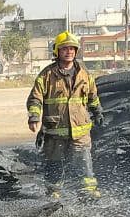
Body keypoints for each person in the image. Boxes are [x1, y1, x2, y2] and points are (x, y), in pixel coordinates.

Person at [26, 30, 103, 199]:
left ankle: (87, 191)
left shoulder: (84, 74)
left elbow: (92, 96)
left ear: (76, 51)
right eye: (64, 48)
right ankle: (53, 192)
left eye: (72, 48)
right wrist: (34, 117)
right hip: (55, 132)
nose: (69, 51)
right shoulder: (46, 75)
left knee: (84, 163)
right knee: (54, 164)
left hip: (80, 131)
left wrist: (97, 111)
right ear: (57, 51)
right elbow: (35, 98)